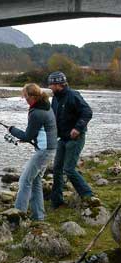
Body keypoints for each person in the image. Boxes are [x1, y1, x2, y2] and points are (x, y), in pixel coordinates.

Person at [8, 83, 57, 221]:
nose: (24, 99)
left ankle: (18, 215)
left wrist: (12, 129)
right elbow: (40, 131)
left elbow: (27, 136)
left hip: (44, 152)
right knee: (35, 181)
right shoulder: (46, 106)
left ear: (32, 96)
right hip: (50, 149)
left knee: (24, 181)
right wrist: (28, 137)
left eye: (25, 96)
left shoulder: (37, 112)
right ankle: (38, 216)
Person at [48, 71, 94, 209]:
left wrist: (78, 128)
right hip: (62, 138)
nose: (50, 87)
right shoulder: (55, 98)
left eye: (51, 84)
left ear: (59, 84)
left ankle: (88, 195)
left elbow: (87, 112)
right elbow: (53, 117)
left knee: (69, 169)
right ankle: (57, 201)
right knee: (57, 168)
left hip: (76, 138)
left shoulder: (73, 95)